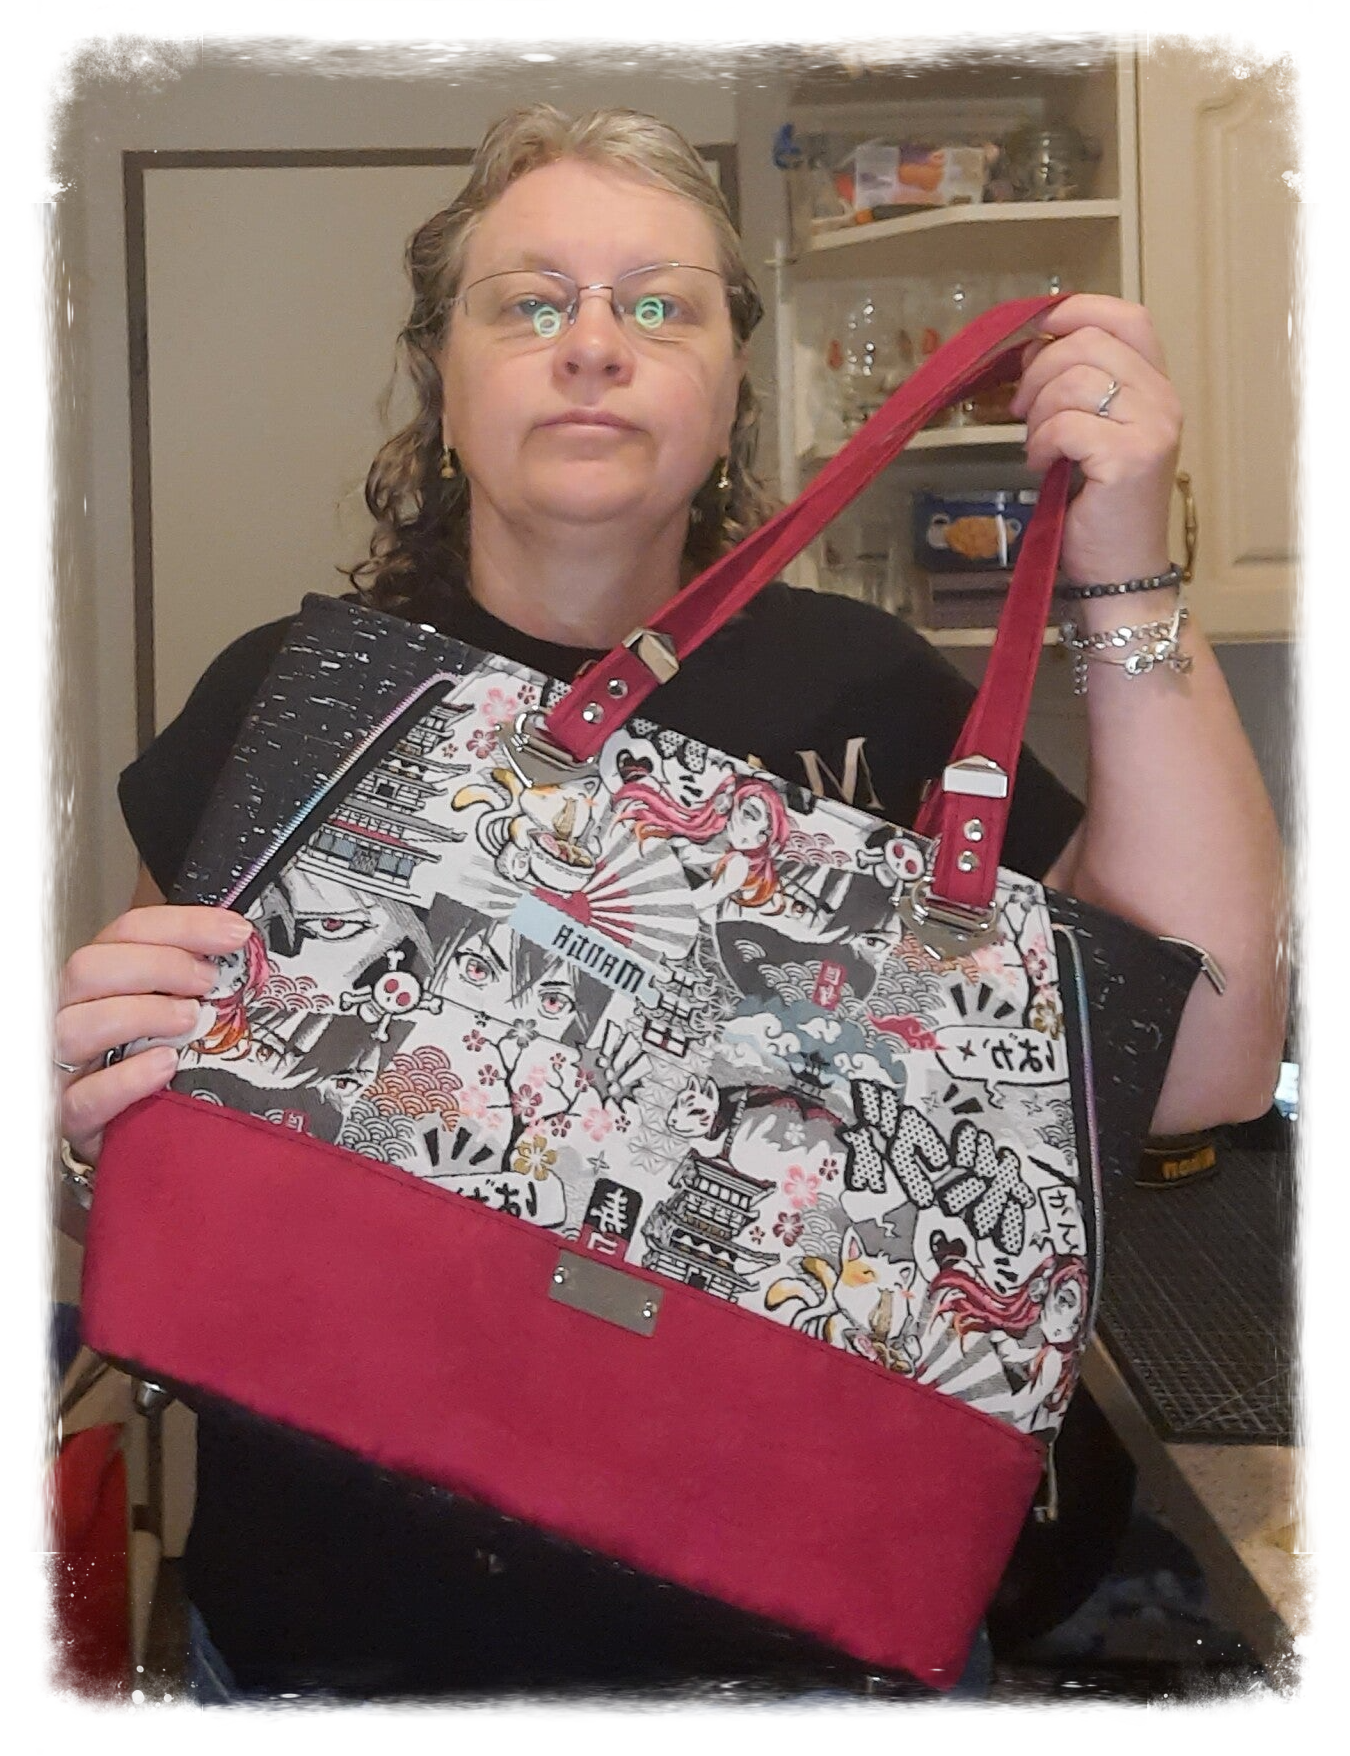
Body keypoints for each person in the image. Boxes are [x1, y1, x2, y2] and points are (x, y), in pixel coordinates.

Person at [53, 103, 1287, 1702]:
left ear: (728, 397)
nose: (592, 344)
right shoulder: (298, 704)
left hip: (801, 1657)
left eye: (657, 304)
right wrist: (85, 1120)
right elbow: (128, 1148)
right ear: (442, 380)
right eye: (529, 302)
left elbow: (1205, 1062)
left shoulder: (882, 696)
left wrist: (1120, 558)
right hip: (332, 1649)